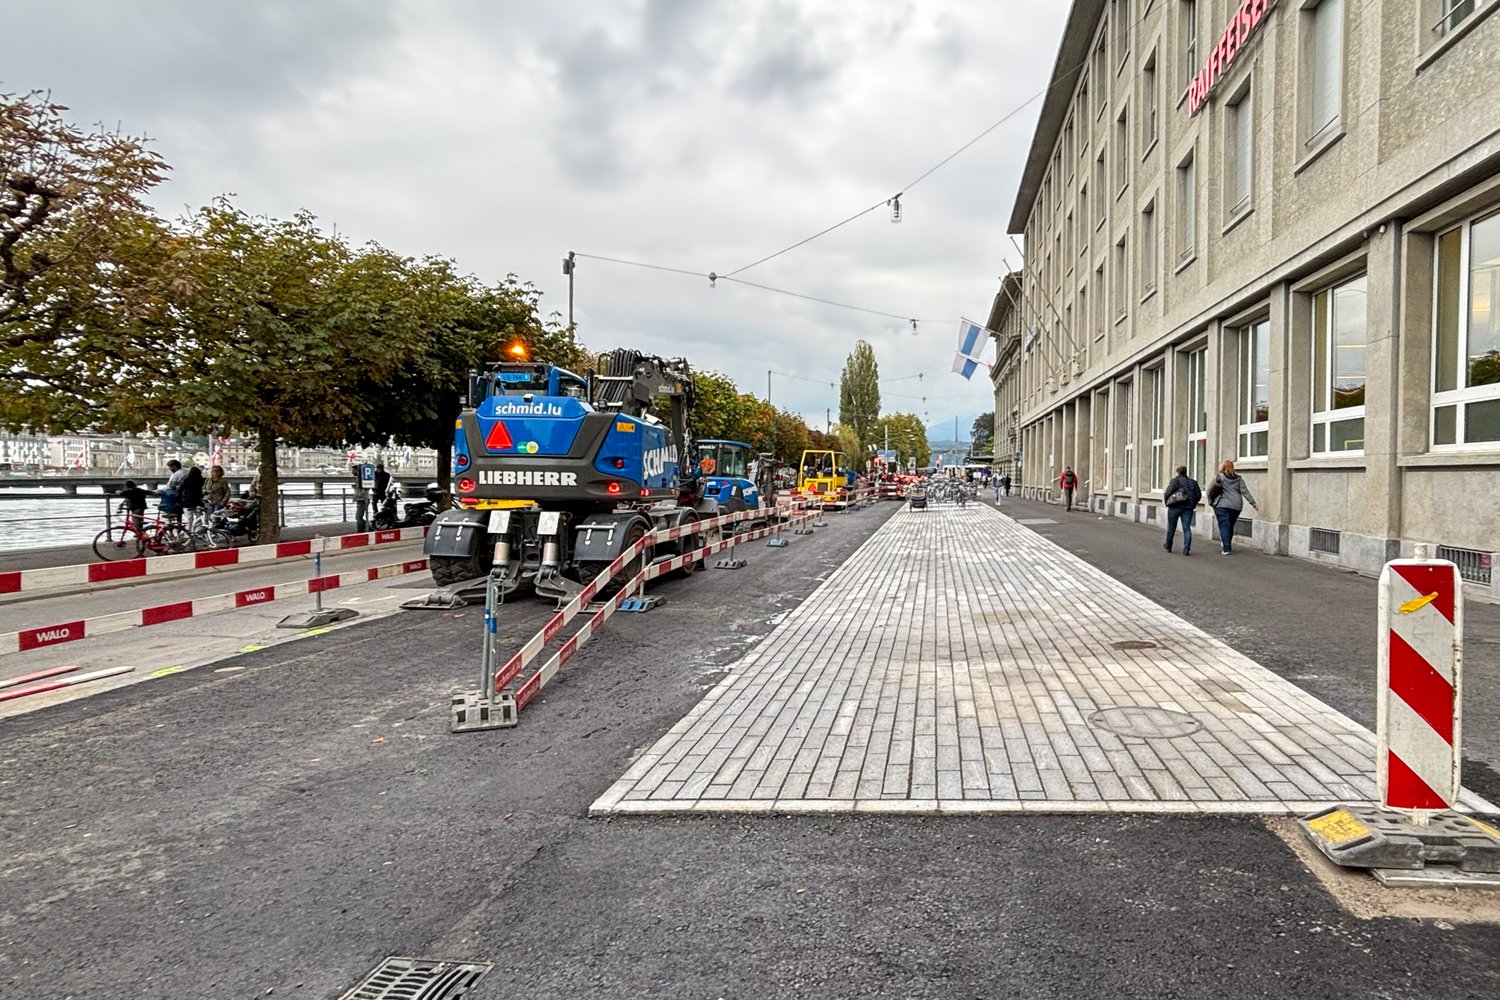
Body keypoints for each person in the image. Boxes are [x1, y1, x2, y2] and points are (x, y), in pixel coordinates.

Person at [1208, 459, 1258, 555]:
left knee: (1224, 525)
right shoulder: (1239, 479)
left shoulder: (1219, 477)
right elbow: (1245, 491)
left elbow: (1210, 490)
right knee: (1229, 525)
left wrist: (1211, 502)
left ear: (1222, 467)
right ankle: (1227, 544)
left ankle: (1226, 548)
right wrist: (1253, 503)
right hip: (1236, 506)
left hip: (1222, 505)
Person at [1162, 465, 1202, 556]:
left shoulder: (1175, 481)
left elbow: (1167, 492)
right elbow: (1198, 495)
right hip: (1188, 509)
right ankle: (1186, 548)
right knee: (1187, 528)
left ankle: (1168, 546)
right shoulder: (1193, 482)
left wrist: (1167, 503)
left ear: (1178, 472)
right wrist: (1193, 503)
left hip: (1174, 507)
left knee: (1171, 528)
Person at [180, 464, 205, 529]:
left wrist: (179, 501)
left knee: (189, 519)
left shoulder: (186, 480)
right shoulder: (201, 480)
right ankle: (198, 531)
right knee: (199, 517)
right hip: (198, 502)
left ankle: (187, 534)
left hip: (187, 502)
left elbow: (179, 490)